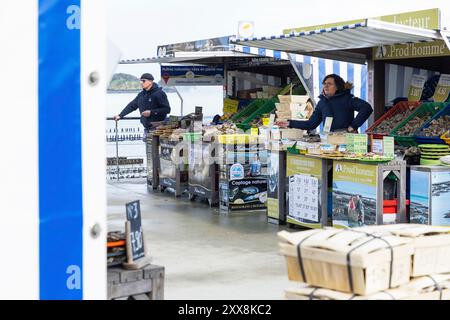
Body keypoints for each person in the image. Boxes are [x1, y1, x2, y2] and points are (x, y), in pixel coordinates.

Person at [277, 74, 373, 133]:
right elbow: (311, 124)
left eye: (329, 84)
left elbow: (366, 108)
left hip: (347, 138)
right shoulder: (322, 102)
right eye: (324, 84)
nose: (325, 86)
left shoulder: (347, 98)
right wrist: (290, 123)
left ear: (337, 86)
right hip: (329, 138)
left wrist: (353, 126)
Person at [114, 73, 171, 139]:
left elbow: (167, 109)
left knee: (157, 148)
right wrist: (120, 115)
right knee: (149, 148)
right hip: (147, 129)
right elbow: (132, 105)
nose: (141, 83)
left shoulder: (159, 93)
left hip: (159, 129)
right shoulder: (141, 95)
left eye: (143, 81)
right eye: (140, 81)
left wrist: (151, 112)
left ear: (150, 81)